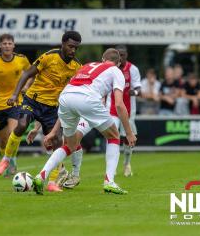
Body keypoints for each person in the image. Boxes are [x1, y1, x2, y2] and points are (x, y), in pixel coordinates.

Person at [33, 48, 137, 195]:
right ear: (118, 62)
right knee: (114, 136)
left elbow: (72, 96)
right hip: (88, 100)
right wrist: (129, 132)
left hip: (65, 98)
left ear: (102, 59)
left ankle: (41, 175)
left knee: (70, 145)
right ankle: (109, 181)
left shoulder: (86, 66)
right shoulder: (116, 70)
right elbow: (119, 104)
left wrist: (54, 131)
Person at [0, 31, 82, 192]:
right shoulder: (49, 57)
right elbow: (27, 73)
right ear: (62, 44)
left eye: (76, 48)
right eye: (70, 46)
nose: (73, 50)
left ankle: (52, 182)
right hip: (33, 100)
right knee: (21, 125)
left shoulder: (76, 67)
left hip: (53, 108)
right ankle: (6, 159)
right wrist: (15, 94)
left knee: (57, 142)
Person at [60, 45, 141, 189]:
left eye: (123, 55)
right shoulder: (103, 70)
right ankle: (76, 174)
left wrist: (132, 93)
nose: (121, 57)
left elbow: (138, 90)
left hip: (119, 111)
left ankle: (124, 165)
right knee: (74, 140)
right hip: (100, 110)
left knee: (119, 137)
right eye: (119, 55)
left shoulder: (130, 70)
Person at [0, 34, 31, 175]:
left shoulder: (22, 59)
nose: (7, 46)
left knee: (12, 134)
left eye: (10, 43)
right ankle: (7, 159)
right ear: (0, 46)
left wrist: (26, 85)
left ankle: (12, 164)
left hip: (15, 101)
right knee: (3, 141)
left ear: (14, 45)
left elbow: (32, 73)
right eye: (5, 43)